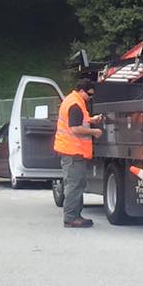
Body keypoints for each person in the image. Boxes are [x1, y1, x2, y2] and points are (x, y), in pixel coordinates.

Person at [54, 79, 104, 228]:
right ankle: (70, 218)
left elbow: (80, 120)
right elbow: (75, 128)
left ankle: (75, 216)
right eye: (89, 94)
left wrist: (91, 119)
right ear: (82, 91)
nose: (91, 97)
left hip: (72, 152)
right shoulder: (75, 104)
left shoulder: (74, 101)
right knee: (74, 185)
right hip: (73, 152)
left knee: (76, 184)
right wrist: (94, 131)